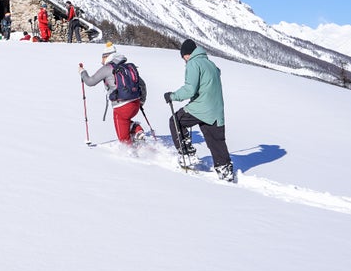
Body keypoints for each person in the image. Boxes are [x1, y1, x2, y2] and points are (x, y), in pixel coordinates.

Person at [164, 39, 235, 181]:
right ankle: (225, 169)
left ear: (186, 54)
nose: (184, 60)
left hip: (201, 108)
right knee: (216, 140)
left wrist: (172, 96)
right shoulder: (210, 64)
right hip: (216, 110)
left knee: (176, 121)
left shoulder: (193, 63)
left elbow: (190, 89)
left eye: (183, 57)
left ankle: (187, 153)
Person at [80, 42, 147, 144]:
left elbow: (90, 82)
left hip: (121, 107)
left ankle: (133, 154)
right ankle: (137, 130)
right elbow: (142, 84)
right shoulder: (127, 66)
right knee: (126, 120)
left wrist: (82, 72)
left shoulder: (107, 68)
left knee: (123, 139)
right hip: (136, 104)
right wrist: (141, 101)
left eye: (102, 57)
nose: (101, 61)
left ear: (106, 56)